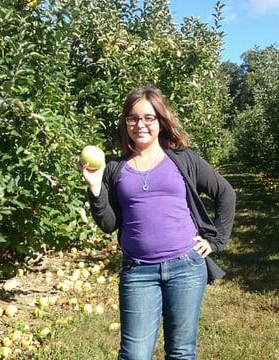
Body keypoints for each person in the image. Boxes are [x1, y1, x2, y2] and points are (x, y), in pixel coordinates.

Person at [81, 86, 236, 359]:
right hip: (138, 271)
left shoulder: (182, 159)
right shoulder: (115, 168)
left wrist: (216, 240)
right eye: (133, 118)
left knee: (180, 352)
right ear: (125, 122)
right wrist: (95, 189)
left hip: (186, 267)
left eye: (148, 118)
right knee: (134, 354)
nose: (140, 124)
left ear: (160, 121)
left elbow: (225, 193)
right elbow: (108, 223)